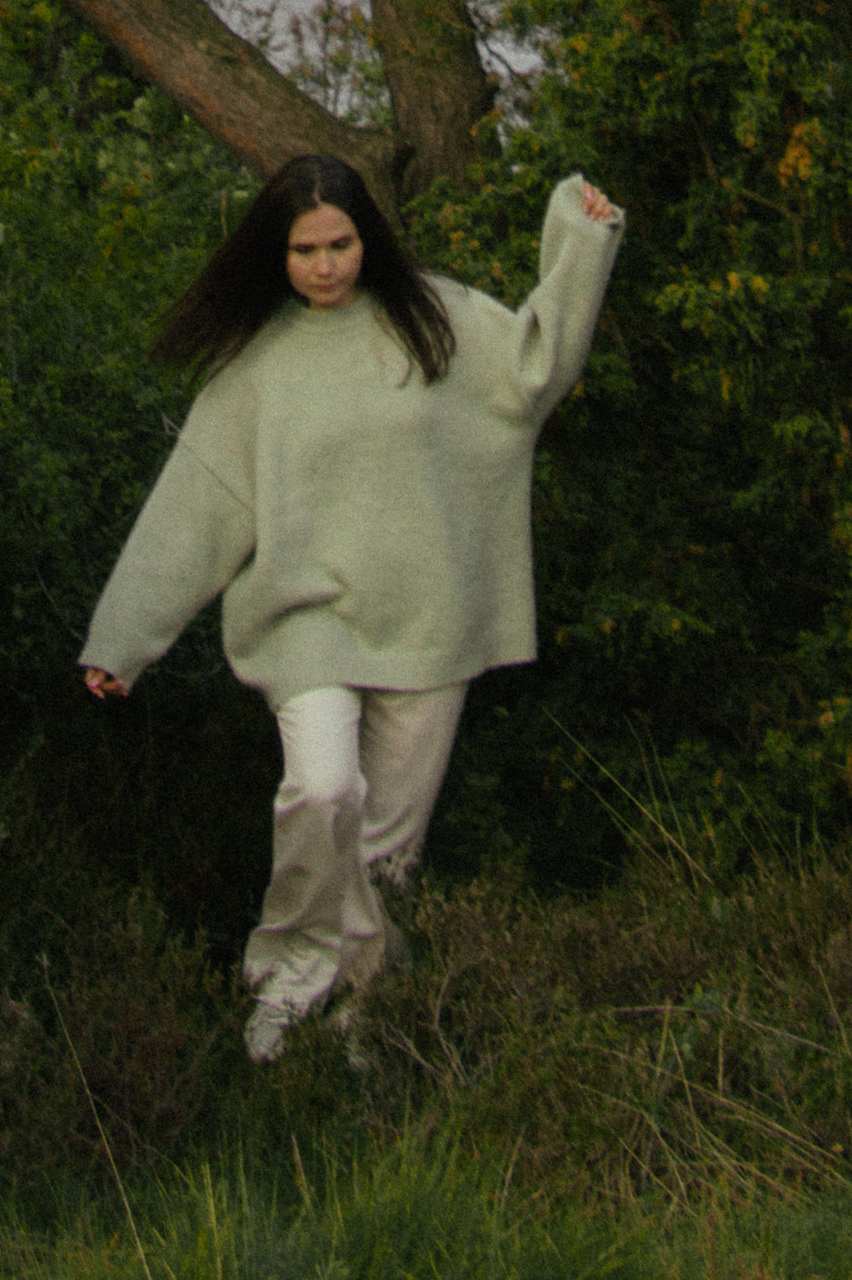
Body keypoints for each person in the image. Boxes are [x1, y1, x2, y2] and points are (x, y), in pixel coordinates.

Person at [80, 152, 622, 1062]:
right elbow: (197, 506)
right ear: (275, 253)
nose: (326, 266)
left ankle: (370, 1012)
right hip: (305, 622)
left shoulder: (437, 321)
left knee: (388, 852)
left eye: (341, 244)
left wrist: (581, 234)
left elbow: (536, 366)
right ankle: (288, 976)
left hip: (428, 620)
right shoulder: (258, 364)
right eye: (305, 250)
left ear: (368, 239)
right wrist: (122, 643)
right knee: (323, 789)